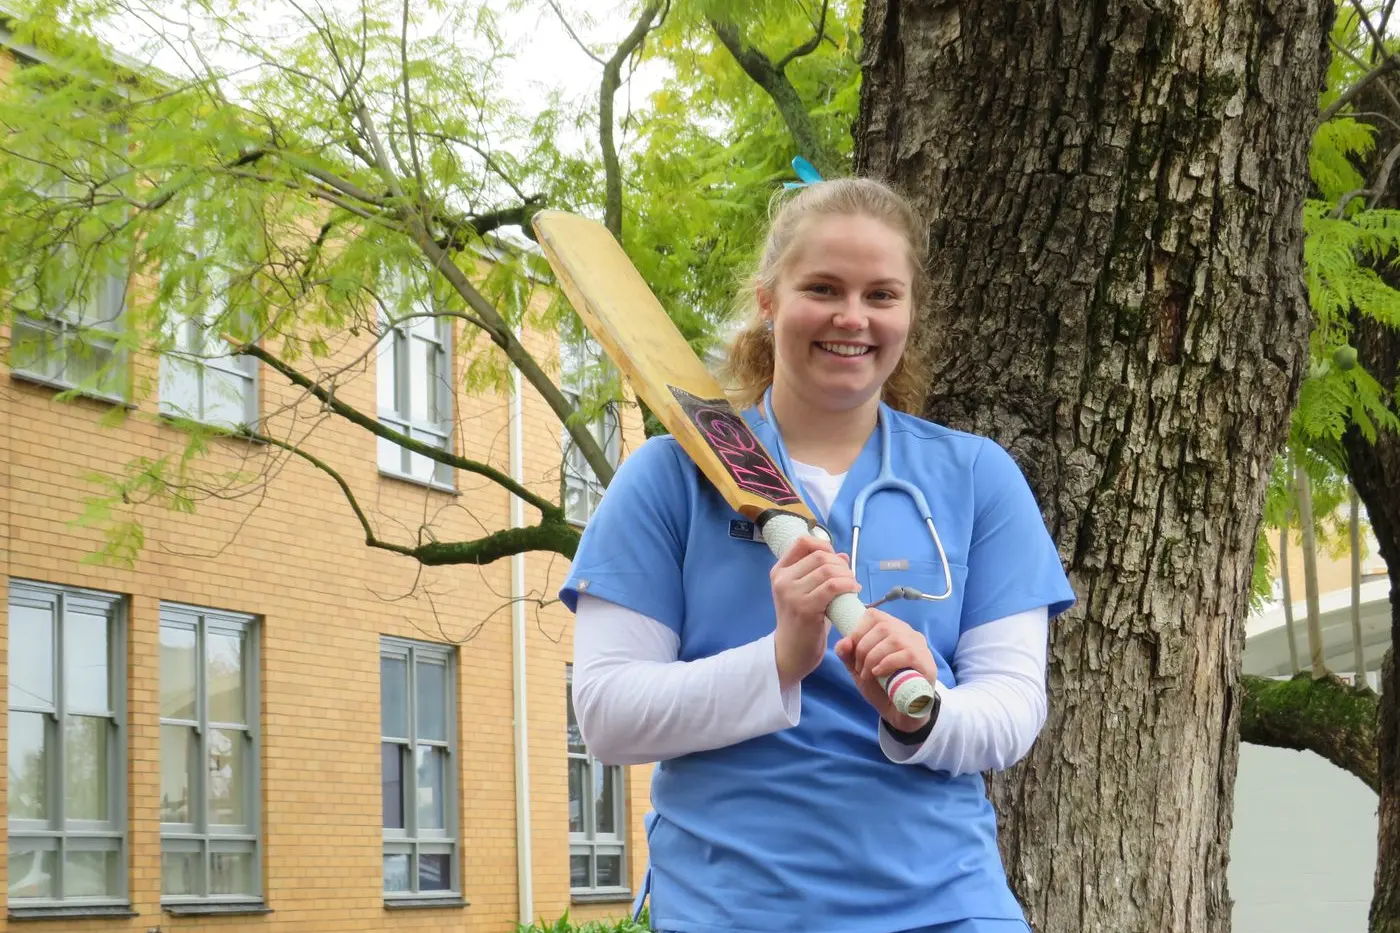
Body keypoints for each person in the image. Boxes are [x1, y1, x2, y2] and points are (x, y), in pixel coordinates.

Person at [558, 169, 1076, 933]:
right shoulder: (667, 478)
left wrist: (923, 714)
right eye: (823, 288)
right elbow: (608, 716)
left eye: (881, 295)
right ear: (769, 300)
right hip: (733, 911)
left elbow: (1012, 709)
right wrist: (779, 659)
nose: (852, 317)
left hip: (946, 907)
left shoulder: (977, 477)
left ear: (910, 311)